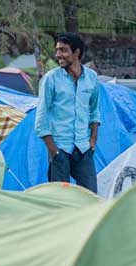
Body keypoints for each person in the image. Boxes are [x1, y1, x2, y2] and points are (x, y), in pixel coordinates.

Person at [35, 32, 101, 193]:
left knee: (90, 196)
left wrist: (92, 140)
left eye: (63, 50)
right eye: (57, 50)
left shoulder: (92, 78)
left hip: (84, 149)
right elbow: (41, 115)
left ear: (76, 52)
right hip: (60, 149)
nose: (58, 55)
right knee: (59, 199)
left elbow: (94, 110)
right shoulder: (51, 79)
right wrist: (53, 151)